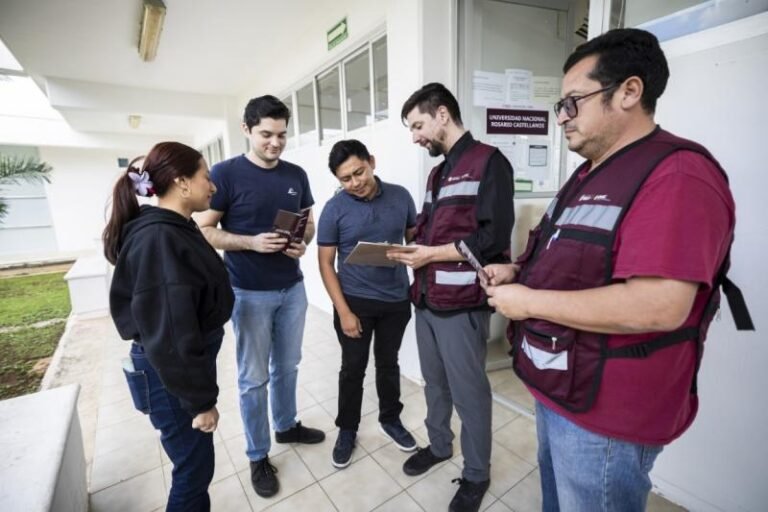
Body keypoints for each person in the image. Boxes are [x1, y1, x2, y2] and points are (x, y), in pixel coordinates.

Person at [483, 28, 752, 512]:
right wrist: (515, 272)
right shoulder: (587, 175)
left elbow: (660, 305)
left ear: (629, 91)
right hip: (559, 387)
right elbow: (566, 259)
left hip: (608, 415)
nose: (562, 118)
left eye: (573, 102)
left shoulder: (677, 175)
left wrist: (525, 303)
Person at [388, 83, 515, 512]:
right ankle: (440, 445)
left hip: (462, 307)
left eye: (418, 125)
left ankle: (477, 473)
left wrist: (432, 253)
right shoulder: (437, 173)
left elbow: (493, 236)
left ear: (443, 114)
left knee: (469, 392)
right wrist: (407, 245)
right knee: (435, 385)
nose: (415, 136)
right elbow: (429, 229)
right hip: (425, 299)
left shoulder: (490, 163)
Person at [197, 95, 324, 498]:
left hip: (292, 289)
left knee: (288, 365)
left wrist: (302, 242)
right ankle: (257, 453)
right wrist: (250, 242)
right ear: (247, 130)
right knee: (254, 378)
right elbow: (204, 230)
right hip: (248, 293)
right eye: (266, 134)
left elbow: (309, 225)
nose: (275, 143)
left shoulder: (296, 173)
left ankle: (286, 425)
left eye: (282, 134)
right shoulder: (226, 173)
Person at [104, 142, 234, 512]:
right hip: (170, 377)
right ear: (181, 182)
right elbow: (172, 335)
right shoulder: (161, 238)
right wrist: (200, 403)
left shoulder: (176, 227)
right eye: (206, 177)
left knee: (194, 466)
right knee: (193, 472)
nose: (213, 186)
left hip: (173, 372)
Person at [317, 139, 419, 469]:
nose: (354, 183)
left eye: (359, 172)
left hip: (395, 301)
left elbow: (415, 241)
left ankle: (390, 419)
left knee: (388, 364)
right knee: (352, 369)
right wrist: (344, 311)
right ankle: (347, 430)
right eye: (345, 179)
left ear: (372, 162)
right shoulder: (334, 209)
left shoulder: (401, 196)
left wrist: (409, 255)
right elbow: (325, 264)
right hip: (355, 303)